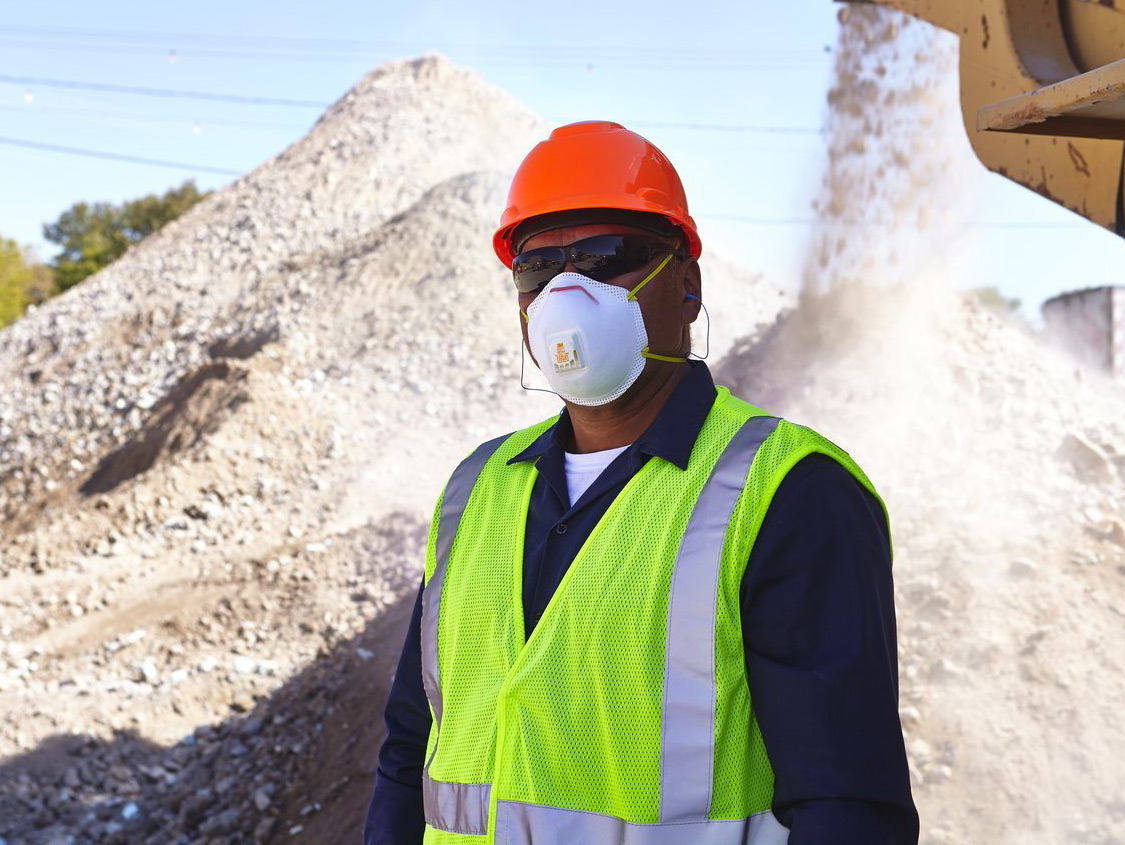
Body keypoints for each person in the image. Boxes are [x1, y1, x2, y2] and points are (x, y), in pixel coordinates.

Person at [364, 120, 918, 844]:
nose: (565, 290)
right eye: (537, 268)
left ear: (685, 284)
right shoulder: (476, 491)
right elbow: (412, 749)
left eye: (603, 256)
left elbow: (846, 806)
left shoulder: (787, 492)